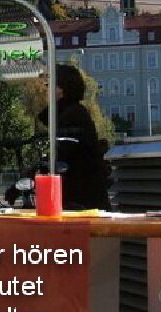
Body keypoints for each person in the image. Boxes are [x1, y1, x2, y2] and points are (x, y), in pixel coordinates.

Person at [38, 63, 111, 210]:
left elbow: (61, 153)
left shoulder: (72, 115)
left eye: (50, 84)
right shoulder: (71, 113)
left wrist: (34, 171)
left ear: (62, 89)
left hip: (81, 198)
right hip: (82, 194)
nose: (47, 89)